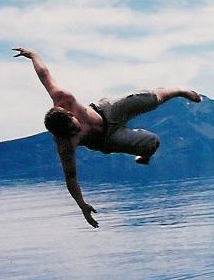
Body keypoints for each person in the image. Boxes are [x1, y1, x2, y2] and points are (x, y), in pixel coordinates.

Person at [13, 47, 201, 228]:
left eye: (74, 127)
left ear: (69, 113)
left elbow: (44, 75)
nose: (75, 132)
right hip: (107, 140)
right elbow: (70, 178)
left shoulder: (63, 98)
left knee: (151, 99)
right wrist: (82, 206)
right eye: (71, 134)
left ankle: (179, 90)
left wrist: (33, 55)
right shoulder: (65, 144)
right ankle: (144, 156)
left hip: (108, 111)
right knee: (153, 142)